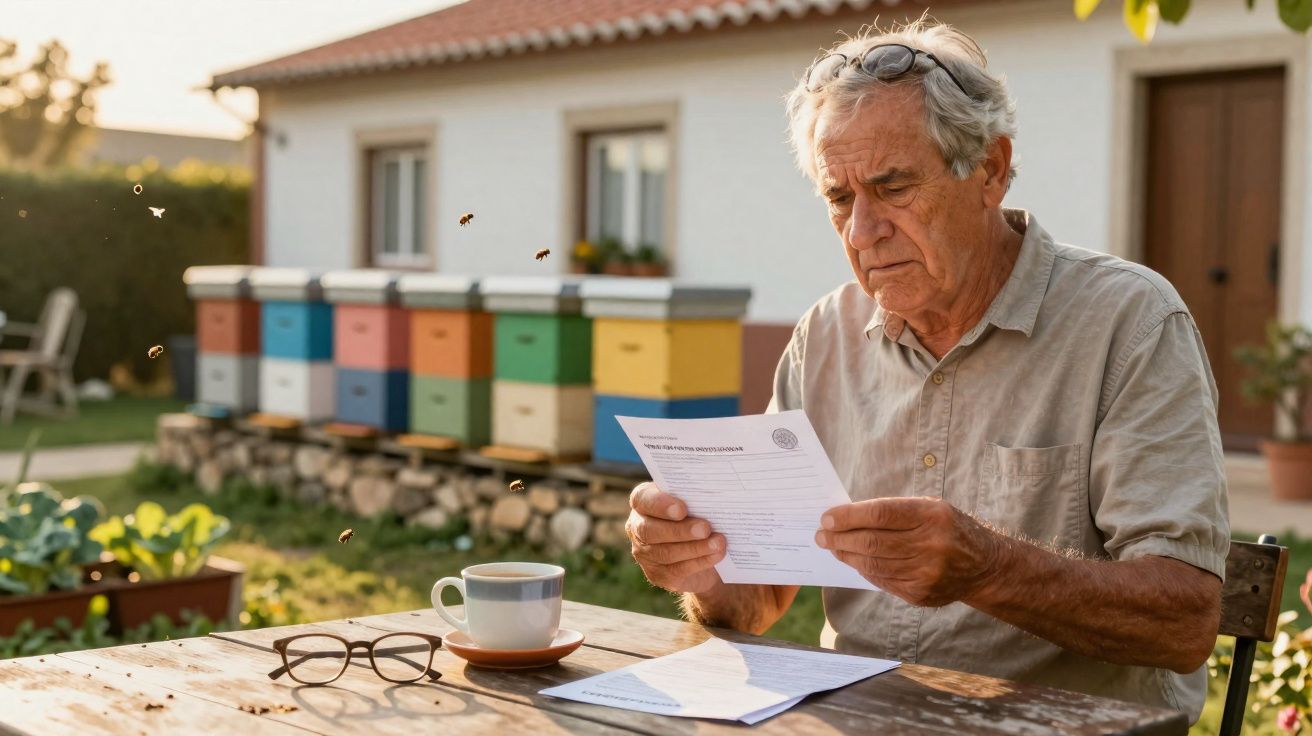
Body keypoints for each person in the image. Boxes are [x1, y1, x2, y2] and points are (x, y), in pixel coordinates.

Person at [625, 18, 1229, 722]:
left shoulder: (1130, 323)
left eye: (893, 187)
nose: (861, 232)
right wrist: (702, 568)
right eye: (840, 198)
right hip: (865, 718)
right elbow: (755, 602)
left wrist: (990, 568)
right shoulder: (824, 337)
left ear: (991, 170)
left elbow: (1185, 624)